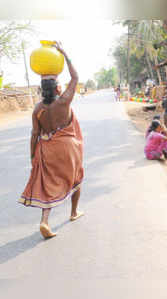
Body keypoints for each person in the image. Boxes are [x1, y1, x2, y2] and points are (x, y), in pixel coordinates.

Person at [18, 42, 84, 239]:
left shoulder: (38, 109)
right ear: (57, 88)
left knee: (48, 185)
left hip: (47, 150)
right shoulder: (64, 101)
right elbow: (75, 77)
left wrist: (32, 156)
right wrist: (64, 52)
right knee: (76, 178)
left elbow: (34, 134)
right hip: (69, 147)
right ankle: (73, 213)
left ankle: (44, 221)